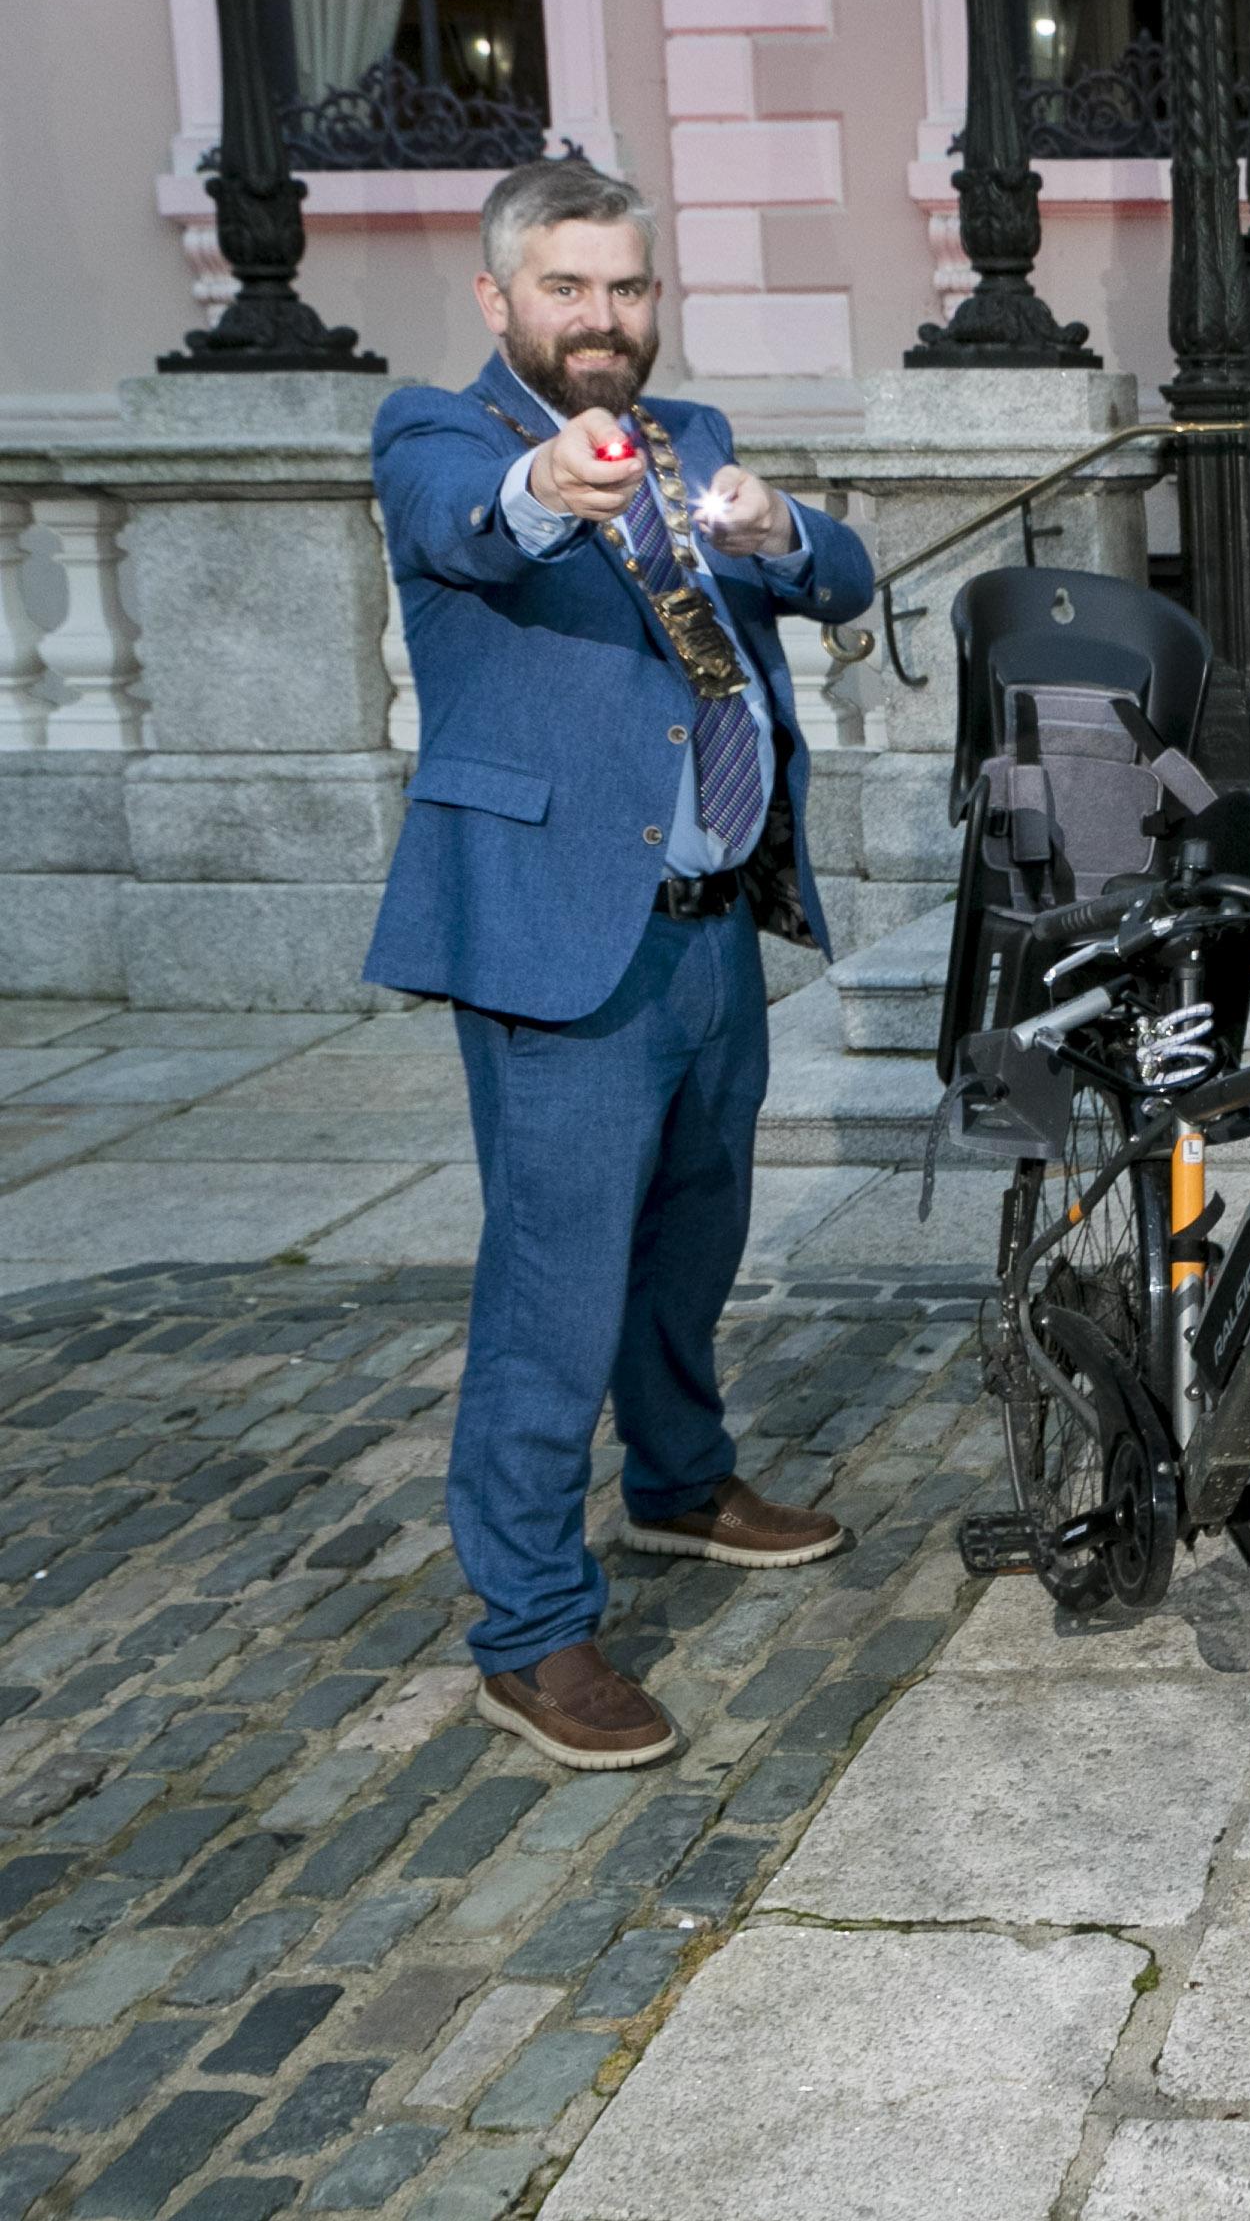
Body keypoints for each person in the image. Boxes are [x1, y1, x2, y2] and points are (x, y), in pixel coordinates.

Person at [366, 159, 876, 1770]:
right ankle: (530, 1630)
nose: (604, 319)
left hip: (713, 926)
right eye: (571, 288)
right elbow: (474, 535)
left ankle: (676, 1477)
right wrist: (552, 496)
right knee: (553, 1286)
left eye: (630, 289)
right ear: (501, 299)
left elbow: (844, 578)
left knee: (692, 1235)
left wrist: (782, 526)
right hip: (560, 944)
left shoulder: (696, 443)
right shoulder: (440, 437)